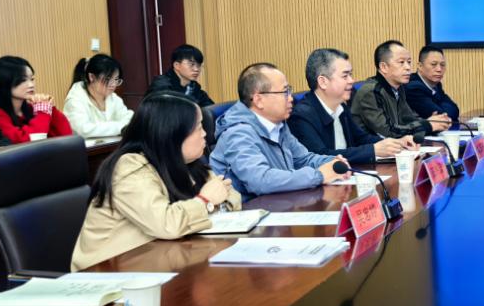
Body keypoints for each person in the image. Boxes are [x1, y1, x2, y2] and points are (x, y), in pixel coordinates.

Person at [71, 93, 241, 271]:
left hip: (155, 261)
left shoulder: (186, 162)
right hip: (107, 273)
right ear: (172, 134)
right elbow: (167, 224)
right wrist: (206, 201)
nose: (205, 134)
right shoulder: (129, 168)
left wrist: (212, 204)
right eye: (198, 127)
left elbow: (232, 196)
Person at [209, 62, 344, 198]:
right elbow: (260, 180)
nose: (291, 98)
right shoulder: (238, 133)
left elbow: (303, 159)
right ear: (258, 100)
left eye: (289, 91)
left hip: (280, 203)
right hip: (249, 208)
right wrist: (319, 176)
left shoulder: (278, 125)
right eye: (285, 92)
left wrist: (333, 163)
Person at [289, 48, 416, 164]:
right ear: (323, 82)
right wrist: (372, 150)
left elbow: (360, 138)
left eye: (351, 75)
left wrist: (396, 143)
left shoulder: (341, 107)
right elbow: (320, 156)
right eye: (345, 76)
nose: (351, 81)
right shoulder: (301, 116)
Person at [351, 40, 452, 140]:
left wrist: (434, 123)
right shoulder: (371, 91)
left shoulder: (398, 88)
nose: (408, 67)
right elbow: (388, 131)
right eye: (401, 62)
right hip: (371, 148)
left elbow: (408, 120)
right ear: (384, 67)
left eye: (409, 62)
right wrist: (427, 125)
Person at [0, 55, 72, 143]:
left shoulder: (31, 108)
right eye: (23, 80)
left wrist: (50, 108)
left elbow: (66, 135)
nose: (31, 85)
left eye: (32, 79)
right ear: (5, 81)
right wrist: (43, 111)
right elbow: (26, 142)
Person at [63, 54, 134, 138]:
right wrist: (121, 127)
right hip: (84, 146)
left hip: (111, 144)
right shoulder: (75, 100)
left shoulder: (113, 97)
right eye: (108, 79)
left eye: (116, 79)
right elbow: (84, 130)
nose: (113, 84)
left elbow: (130, 119)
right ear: (92, 77)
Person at [406, 45, 460, 124]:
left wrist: (442, 109)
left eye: (442, 65)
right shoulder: (413, 87)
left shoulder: (436, 85)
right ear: (420, 66)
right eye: (433, 64)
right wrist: (442, 108)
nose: (439, 69)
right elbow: (441, 117)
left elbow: (455, 110)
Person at [146, 44, 214, 106]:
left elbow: (211, 108)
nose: (196, 69)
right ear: (177, 65)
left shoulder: (195, 88)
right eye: (191, 64)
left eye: (199, 65)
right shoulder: (162, 85)